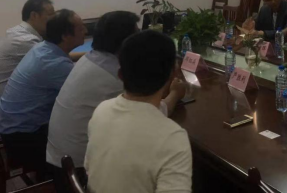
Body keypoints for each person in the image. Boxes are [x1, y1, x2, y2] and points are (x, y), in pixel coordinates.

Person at [46, 11, 187, 192]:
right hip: (81, 170)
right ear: (126, 42)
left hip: (62, 160)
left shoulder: (91, 58)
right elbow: (154, 114)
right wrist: (175, 93)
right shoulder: (114, 76)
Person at [85, 30, 192, 193]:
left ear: (120, 74)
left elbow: (89, 168)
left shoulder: (101, 110)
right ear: (173, 74)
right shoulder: (173, 138)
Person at [0, 9, 87, 179]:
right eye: (81, 28)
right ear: (65, 36)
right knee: (84, 125)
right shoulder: (54, 64)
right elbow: (85, 94)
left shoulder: (43, 49)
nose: (86, 30)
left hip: (12, 130)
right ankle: (68, 179)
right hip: (25, 139)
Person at [0, 0, 55, 96]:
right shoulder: (24, 40)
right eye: (50, 15)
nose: (54, 19)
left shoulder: (19, 31)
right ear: (34, 15)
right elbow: (55, 59)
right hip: (9, 98)